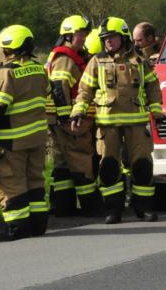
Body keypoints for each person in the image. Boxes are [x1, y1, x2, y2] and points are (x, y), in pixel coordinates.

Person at [71, 17, 164, 224]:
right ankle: (113, 209)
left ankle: (144, 208)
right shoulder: (96, 61)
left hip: (137, 122)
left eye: (112, 37)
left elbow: (153, 87)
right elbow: (84, 91)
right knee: (109, 166)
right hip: (107, 124)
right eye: (105, 39)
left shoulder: (139, 60)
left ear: (123, 37)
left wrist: (157, 111)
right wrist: (78, 112)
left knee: (142, 165)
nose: (108, 42)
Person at [0, 25, 51, 241]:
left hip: (10, 141)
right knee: (35, 180)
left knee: (11, 182)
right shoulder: (39, 70)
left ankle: (17, 228)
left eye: (2, 48)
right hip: (37, 138)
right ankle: (38, 225)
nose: (1, 51)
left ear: (9, 48)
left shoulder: (5, 73)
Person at [45, 15, 101, 216]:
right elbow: (59, 89)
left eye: (85, 34)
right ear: (68, 36)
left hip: (60, 119)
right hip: (71, 121)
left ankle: (62, 206)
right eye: (80, 34)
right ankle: (91, 205)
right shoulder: (66, 59)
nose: (84, 38)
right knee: (80, 160)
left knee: (62, 163)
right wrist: (67, 119)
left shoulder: (65, 56)